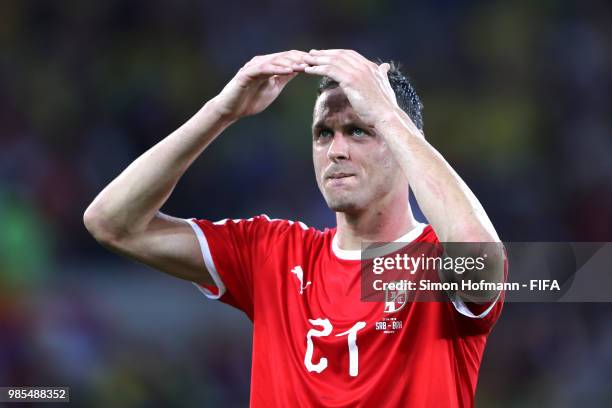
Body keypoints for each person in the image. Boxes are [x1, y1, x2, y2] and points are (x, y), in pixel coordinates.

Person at [84, 49, 507, 407]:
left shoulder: (435, 266)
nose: (336, 151)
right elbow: (112, 223)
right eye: (324, 134)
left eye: (359, 130)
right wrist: (220, 112)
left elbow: (478, 251)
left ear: (401, 139)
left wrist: (388, 115)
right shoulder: (273, 253)